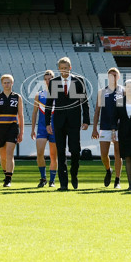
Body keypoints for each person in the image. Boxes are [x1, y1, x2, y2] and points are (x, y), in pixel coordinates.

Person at [45, 57, 90, 191]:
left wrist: (86, 120)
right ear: (59, 69)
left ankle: (74, 174)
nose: (64, 70)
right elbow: (49, 104)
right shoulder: (53, 82)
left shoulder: (78, 81)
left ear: (70, 68)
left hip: (74, 121)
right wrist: (47, 123)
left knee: (75, 150)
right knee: (60, 151)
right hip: (58, 122)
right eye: (61, 68)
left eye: (66, 68)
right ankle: (63, 183)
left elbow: (85, 102)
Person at [0, 74, 23, 188]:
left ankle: (8, 179)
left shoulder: (17, 97)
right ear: (2, 84)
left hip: (12, 127)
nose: (7, 84)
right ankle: (6, 173)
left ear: (12, 83)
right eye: (5, 82)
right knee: (2, 156)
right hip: (0, 128)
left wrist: (21, 132)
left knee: (9, 154)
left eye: (9, 82)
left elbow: (21, 116)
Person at [91, 67, 123, 189]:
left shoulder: (122, 91)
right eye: (111, 75)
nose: (113, 78)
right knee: (104, 155)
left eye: (115, 75)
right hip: (104, 126)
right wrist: (94, 128)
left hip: (119, 127)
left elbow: (122, 111)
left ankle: (117, 180)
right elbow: (97, 112)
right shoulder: (102, 92)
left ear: (118, 77)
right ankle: (109, 170)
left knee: (118, 154)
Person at [31, 70, 58, 188]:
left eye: (50, 79)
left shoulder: (59, 94)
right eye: (46, 79)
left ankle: (52, 180)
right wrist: (32, 129)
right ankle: (43, 178)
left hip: (55, 128)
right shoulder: (39, 95)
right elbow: (34, 113)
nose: (48, 81)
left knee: (53, 155)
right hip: (42, 128)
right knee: (40, 153)